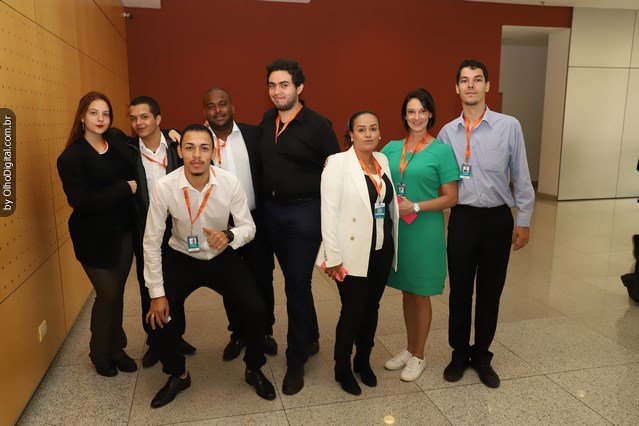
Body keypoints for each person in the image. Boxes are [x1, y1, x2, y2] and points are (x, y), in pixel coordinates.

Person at [144, 124, 275, 408]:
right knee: (158, 318)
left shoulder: (229, 182)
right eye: (190, 148)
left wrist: (229, 235)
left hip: (221, 254)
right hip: (182, 255)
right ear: (180, 151)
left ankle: (253, 368)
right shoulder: (164, 187)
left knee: (256, 310)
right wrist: (157, 293)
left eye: (204, 148)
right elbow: (151, 241)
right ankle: (178, 374)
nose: (197, 155)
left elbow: (249, 227)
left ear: (213, 153)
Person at [438, 59, 535, 388]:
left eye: (477, 79)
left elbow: (521, 174)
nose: (471, 85)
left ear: (487, 86)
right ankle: (459, 353)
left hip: (497, 219)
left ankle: (481, 355)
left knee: (490, 291)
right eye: (464, 80)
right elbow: (436, 177)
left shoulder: (509, 126)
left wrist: (524, 219)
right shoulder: (447, 133)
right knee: (460, 291)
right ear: (456, 88)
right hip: (463, 218)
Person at [259, 58, 341, 395]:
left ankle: (296, 361)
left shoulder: (318, 125)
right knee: (294, 284)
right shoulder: (267, 120)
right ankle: (311, 336)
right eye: (272, 85)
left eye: (284, 85)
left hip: (304, 214)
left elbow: (335, 172)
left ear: (299, 87)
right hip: (272, 213)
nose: (277, 91)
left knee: (296, 285)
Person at [57, 91, 138, 377]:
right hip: (92, 237)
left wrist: (172, 133)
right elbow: (82, 200)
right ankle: (99, 352)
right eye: (93, 113)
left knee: (117, 295)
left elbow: (142, 141)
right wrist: (124, 188)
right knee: (108, 293)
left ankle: (117, 349)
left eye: (105, 113)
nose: (100, 119)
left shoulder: (115, 141)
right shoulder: (71, 157)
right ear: (82, 116)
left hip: (123, 232)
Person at [317, 111, 399, 395]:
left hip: (381, 249)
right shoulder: (337, 163)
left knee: (372, 307)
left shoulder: (383, 160)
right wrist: (333, 257)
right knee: (353, 310)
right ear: (351, 134)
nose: (368, 134)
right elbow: (328, 212)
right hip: (350, 252)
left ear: (380, 133)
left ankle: (363, 360)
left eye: (373, 129)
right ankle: (342, 366)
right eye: (361, 129)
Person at [381, 89, 460, 382]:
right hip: (399, 231)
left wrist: (415, 206)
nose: (417, 117)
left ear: (430, 114)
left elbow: (451, 197)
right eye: (411, 111)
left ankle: (420, 355)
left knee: (420, 293)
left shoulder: (441, 151)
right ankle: (409, 347)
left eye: (422, 111)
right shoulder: (391, 148)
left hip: (425, 230)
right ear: (404, 115)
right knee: (406, 290)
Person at [202, 88, 277, 360]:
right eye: (211, 106)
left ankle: (265, 331)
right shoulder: (200, 142)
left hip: (255, 220)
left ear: (233, 106)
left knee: (262, 277)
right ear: (205, 112)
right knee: (230, 281)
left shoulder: (254, 135)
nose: (218, 110)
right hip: (221, 225)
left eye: (222, 104)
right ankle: (238, 334)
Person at [128, 96, 197, 369]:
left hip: (177, 225)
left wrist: (175, 132)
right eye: (133, 118)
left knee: (176, 283)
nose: (138, 123)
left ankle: (176, 336)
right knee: (149, 284)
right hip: (146, 227)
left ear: (158, 119)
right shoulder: (128, 150)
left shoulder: (176, 146)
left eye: (144, 117)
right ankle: (155, 341)